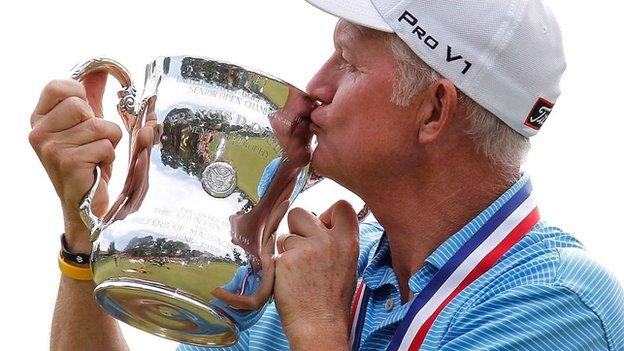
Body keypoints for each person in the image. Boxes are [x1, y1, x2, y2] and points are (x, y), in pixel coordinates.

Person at [28, 0, 624, 350]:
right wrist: (88, 232)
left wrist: (316, 331)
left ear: (435, 110)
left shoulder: (559, 309)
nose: (315, 88)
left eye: (349, 62)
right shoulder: (330, 266)